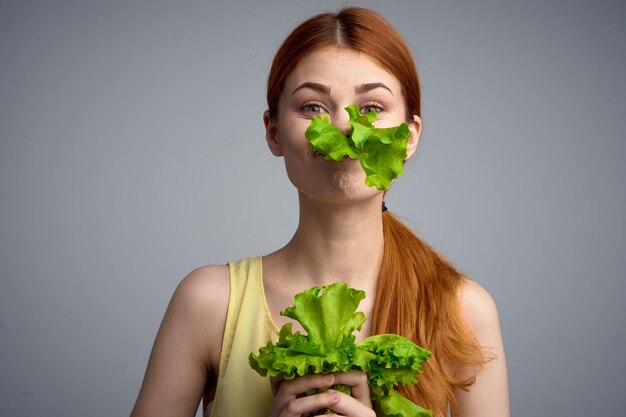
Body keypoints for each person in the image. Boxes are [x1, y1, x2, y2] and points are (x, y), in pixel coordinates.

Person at [130, 7, 509, 417]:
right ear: (273, 132)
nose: (345, 128)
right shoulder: (208, 304)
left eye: (370, 109)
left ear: (409, 137)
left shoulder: (463, 310)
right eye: (312, 107)